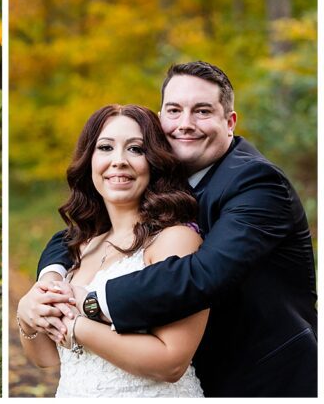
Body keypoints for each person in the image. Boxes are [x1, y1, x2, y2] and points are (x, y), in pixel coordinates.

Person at [20, 62, 317, 397]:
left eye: (202, 111)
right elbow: (78, 237)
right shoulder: (161, 193)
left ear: (230, 122)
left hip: (265, 378)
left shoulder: (256, 183)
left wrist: (89, 304)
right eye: (174, 110)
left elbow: (203, 275)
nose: (185, 124)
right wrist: (49, 280)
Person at [16, 105, 206, 397]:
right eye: (105, 147)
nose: (119, 161)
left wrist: (78, 328)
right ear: (89, 160)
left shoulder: (175, 240)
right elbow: (47, 358)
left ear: (155, 161)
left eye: (136, 149)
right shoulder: (80, 246)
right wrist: (26, 315)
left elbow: (171, 362)